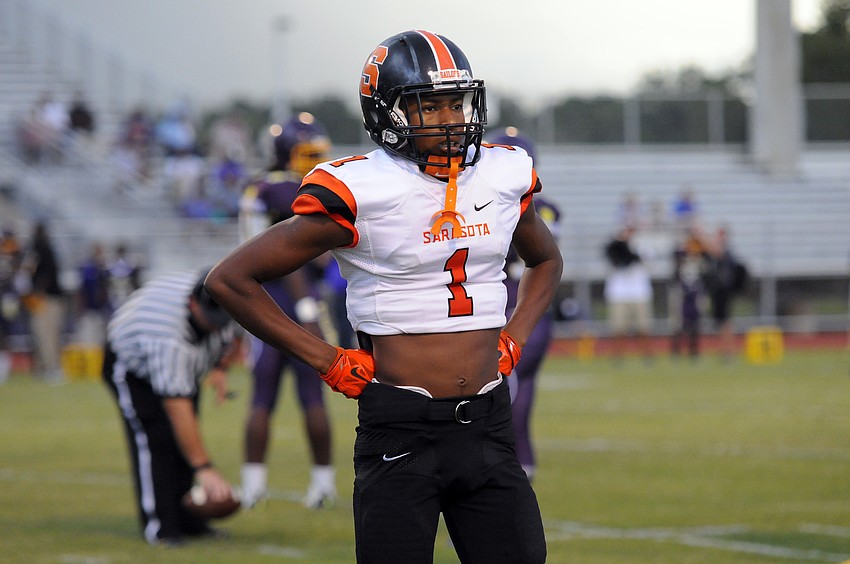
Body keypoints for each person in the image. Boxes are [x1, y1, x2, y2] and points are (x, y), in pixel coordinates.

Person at [206, 29, 562, 563]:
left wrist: (514, 337)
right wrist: (327, 360)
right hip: (401, 425)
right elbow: (231, 279)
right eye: (430, 106)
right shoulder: (361, 189)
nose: (451, 119)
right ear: (387, 114)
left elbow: (546, 260)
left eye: (457, 102)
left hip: (489, 422)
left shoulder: (503, 172)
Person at [236, 112, 337, 509]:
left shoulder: (257, 187)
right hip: (290, 302)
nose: (315, 162)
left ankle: (253, 484)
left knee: (263, 396)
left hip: (262, 303)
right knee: (309, 396)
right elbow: (298, 259)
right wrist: (308, 307)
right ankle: (322, 483)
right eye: (307, 153)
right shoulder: (282, 189)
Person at [102, 268, 242, 547]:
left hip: (184, 363)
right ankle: (161, 526)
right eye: (212, 320)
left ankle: (190, 521)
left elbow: (238, 334)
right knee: (156, 438)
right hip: (133, 365)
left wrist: (221, 367)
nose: (218, 327)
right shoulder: (168, 336)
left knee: (184, 437)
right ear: (193, 305)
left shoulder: (232, 295)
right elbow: (178, 408)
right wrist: (204, 468)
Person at [488, 126, 562, 482]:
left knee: (508, 381)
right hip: (527, 309)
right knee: (522, 385)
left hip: (517, 308)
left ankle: (507, 462)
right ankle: (525, 463)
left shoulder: (538, 209)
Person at [21, 222, 66, 383]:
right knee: (46, 334)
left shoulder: (39, 249)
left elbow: (40, 272)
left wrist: (37, 291)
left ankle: (49, 367)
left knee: (45, 334)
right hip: (47, 298)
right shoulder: (44, 248)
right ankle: (48, 367)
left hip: (46, 298)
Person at [603, 225, 654, 362]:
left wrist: (629, 250)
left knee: (643, 327)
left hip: (639, 293)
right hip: (619, 294)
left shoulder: (641, 247)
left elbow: (642, 260)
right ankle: (618, 356)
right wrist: (621, 246)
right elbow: (611, 259)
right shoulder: (615, 246)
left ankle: (647, 355)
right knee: (618, 328)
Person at [703, 225, 748, 361]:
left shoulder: (725, 253)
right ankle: (725, 351)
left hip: (723, 293)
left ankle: (728, 352)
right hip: (718, 292)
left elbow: (713, 250)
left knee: (725, 323)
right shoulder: (724, 254)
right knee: (721, 323)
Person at [670, 229, 710, 359]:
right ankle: (676, 351)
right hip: (682, 294)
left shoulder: (701, 259)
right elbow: (676, 259)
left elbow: (708, 257)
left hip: (696, 294)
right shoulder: (681, 257)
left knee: (695, 323)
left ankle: (693, 351)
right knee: (678, 323)